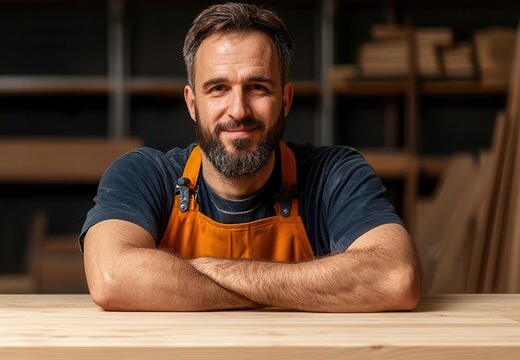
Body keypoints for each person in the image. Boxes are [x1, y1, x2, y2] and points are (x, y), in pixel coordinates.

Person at [80, 2, 420, 312]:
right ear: (192, 103)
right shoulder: (143, 175)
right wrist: (298, 287)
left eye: (258, 87)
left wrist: (202, 271)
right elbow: (112, 277)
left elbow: (395, 276)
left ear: (285, 99)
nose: (239, 110)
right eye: (218, 88)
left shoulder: (335, 175)